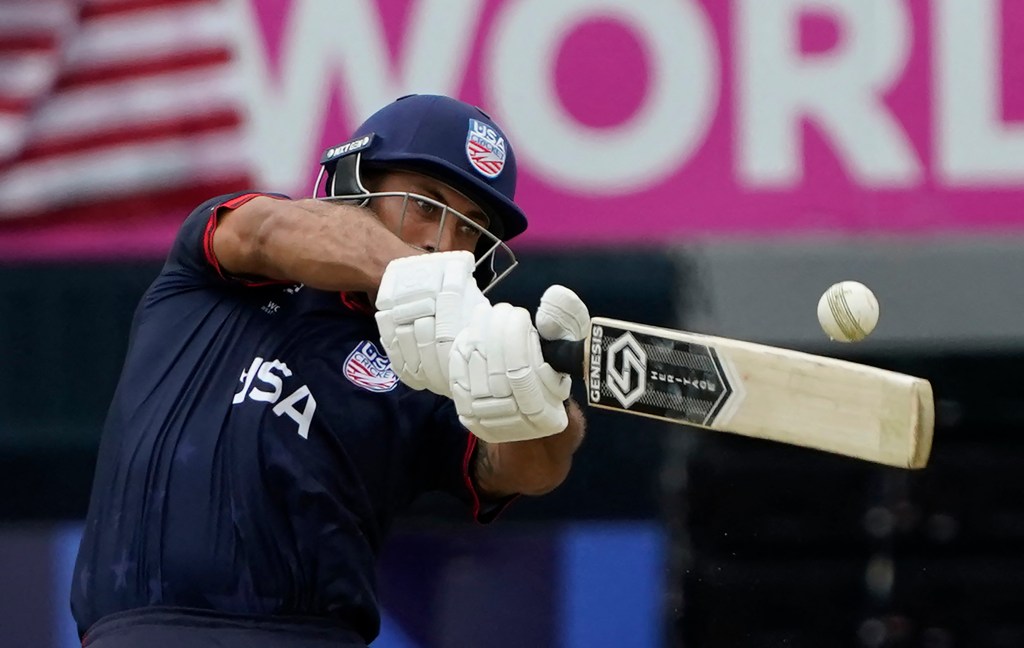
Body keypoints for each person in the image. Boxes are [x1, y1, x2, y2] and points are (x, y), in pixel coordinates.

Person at [70, 94, 590, 647]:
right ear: (354, 182)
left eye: (471, 230)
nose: (446, 242)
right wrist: (438, 289)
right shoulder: (224, 263)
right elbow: (266, 231)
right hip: (147, 631)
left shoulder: (438, 366)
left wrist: (534, 398)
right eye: (428, 205)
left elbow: (526, 471)